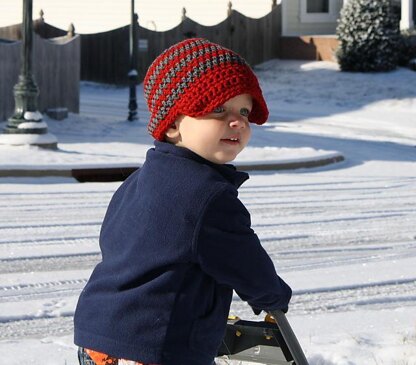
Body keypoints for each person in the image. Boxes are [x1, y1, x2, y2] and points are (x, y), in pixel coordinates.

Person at [74, 38, 292, 365]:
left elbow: (114, 240)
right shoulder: (209, 195)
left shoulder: (139, 180)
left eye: (244, 111)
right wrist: (272, 295)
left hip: (98, 338)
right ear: (174, 124)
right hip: (156, 348)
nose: (239, 122)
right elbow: (245, 263)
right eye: (219, 108)